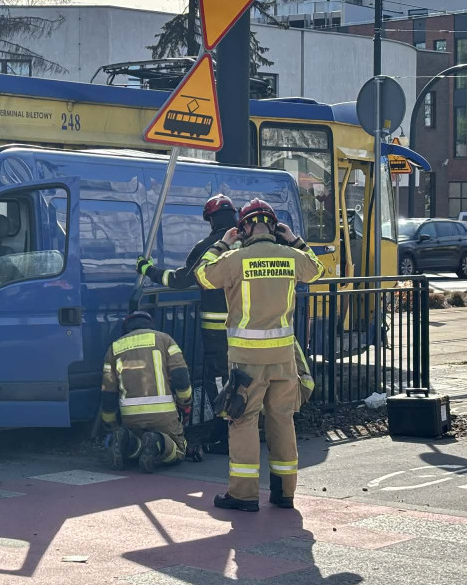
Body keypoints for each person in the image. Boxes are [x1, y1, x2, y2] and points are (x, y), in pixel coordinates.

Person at [194, 199, 324, 512]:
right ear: (273, 226)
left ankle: (243, 494)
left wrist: (223, 243)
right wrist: (293, 238)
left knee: (243, 421)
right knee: (282, 420)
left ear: (245, 227)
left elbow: (202, 274)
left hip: (247, 361)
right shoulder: (291, 256)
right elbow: (317, 270)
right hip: (283, 359)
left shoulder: (236, 257)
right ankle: (284, 493)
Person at [136, 195, 236, 453]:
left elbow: (180, 280)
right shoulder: (248, 244)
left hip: (217, 330)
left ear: (210, 219)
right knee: (246, 378)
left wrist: (148, 270)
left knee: (220, 381)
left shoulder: (211, 245)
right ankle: (247, 429)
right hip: (248, 328)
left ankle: (224, 436)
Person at [100, 311, 193, 473]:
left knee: (137, 447)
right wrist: (185, 404)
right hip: (163, 414)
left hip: (130, 417)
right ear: (150, 324)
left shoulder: (114, 348)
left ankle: (124, 438)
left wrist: (112, 426)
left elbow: (108, 392)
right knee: (177, 450)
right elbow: (180, 377)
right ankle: (157, 441)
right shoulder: (164, 340)